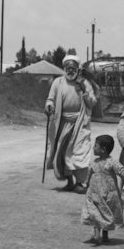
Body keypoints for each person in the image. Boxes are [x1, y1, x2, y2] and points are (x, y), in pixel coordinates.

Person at [45, 55, 97, 193]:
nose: (70, 70)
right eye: (67, 68)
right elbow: (50, 99)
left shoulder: (84, 83)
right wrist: (49, 106)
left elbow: (92, 102)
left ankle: (81, 183)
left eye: (73, 68)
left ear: (77, 69)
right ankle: (69, 182)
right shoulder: (58, 82)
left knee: (80, 152)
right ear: (64, 68)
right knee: (64, 153)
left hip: (81, 123)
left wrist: (83, 89)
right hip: (62, 123)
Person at [81, 135, 124, 245]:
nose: (93, 148)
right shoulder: (94, 162)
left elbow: (122, 172)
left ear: (103, 149)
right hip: (94, 194)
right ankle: (97, 234)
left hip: (108, 195)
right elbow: (89, 174)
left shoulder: (112, 162)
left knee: (107, 212)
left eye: (95, 146)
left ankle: (105, 235)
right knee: (95, 212)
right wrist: (86, 184)